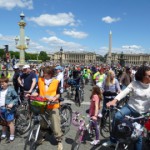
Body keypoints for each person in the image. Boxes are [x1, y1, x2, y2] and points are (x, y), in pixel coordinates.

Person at [102, 65, 150, 150]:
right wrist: (114, 100)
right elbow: (124, 92)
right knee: (117, 116)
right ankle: (113, 140)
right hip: (130, 107)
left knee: (138, 136)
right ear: (142, 76)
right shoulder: (135, 83)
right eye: (149, 76)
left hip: (143, 113)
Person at [31, 66, 63, 150]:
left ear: (50, 73)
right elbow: (37, 92)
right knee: (42, 122)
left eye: (45, 72)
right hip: (42, 104)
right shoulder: (40, 80)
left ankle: (59, 140)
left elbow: (58, 93)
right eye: (43, 72)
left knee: (55, 123)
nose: (43, 74)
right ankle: (42, 136)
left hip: (53, 104)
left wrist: (54, 98)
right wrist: (32, 94)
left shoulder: (56, 81)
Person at [0, 77, 18, 142]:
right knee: (3, 122)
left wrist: (12, 103)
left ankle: (12, 135)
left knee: (10, 122)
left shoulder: (11, 90)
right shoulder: (0, 89)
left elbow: (16, 98)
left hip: (8, 109)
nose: (2, 85)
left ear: (7, 83)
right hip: (1, 109)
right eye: (1, 83)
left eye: (3, 83)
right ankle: (4, 134)